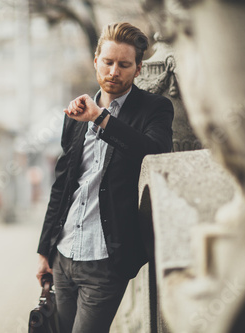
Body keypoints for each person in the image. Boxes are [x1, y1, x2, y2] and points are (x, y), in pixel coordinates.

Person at [36, 22, 174, 333]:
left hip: (106, 259)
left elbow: (153, 151)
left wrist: (100, 117)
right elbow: (63, 186)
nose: (114, 71)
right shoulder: (74, 115)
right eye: (108, 62)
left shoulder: (154, 108)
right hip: (64, 253)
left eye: (124, 64)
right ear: (96, 59)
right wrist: (44, 249)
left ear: (138, 69)